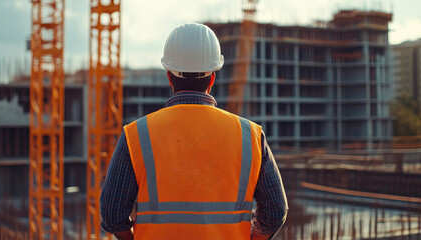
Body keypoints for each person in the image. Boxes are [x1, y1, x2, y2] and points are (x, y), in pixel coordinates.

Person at [100, 22, 288, 240]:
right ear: (213, 78)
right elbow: (275, 212)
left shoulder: (137, 135)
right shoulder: (251, 135)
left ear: (169, 77)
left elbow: (112, 215)